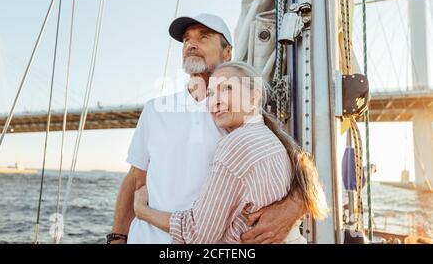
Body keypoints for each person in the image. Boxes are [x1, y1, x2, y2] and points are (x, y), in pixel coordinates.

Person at [108, 14, 306, 244]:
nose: (191, 44)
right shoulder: (154, 110)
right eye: (186, 39)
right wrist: (117, 237)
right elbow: (136, 179)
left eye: (203, 37)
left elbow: (294, 164)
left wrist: (294, 206)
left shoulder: (236, 114)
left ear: (227, 52)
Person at [133, 61, 328, 243]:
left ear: (254, 96)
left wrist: (143, 211)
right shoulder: (270, 138)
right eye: (210, 94)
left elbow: (198, 235)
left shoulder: (236, 145)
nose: (215, 102)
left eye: (227, 88)